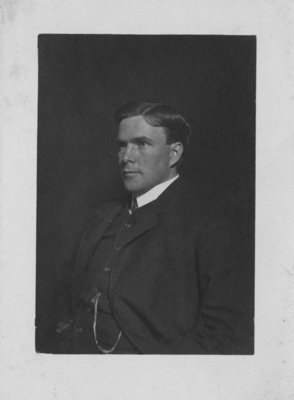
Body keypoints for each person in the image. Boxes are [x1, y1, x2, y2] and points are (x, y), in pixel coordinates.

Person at [55, 101, 254, 354]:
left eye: (142, 144)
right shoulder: (102, 215)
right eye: (122, 145)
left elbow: (223, 334)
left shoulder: (210, 223)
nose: (127, 157)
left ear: (174, 153)